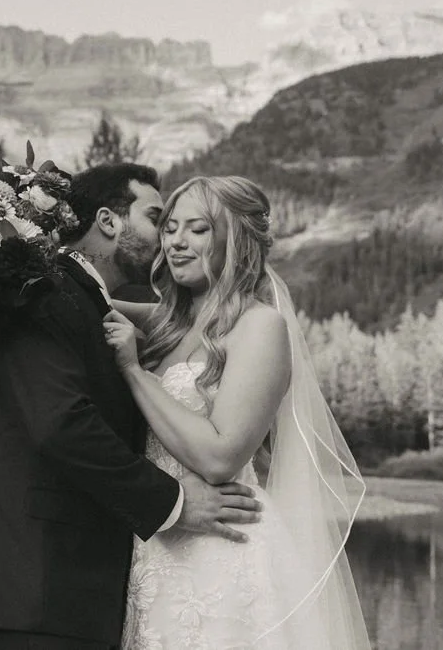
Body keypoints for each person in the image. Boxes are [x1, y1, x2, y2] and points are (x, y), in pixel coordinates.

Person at [0, 164, 264, 650]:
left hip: (75, 587)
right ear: (110, 221)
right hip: (34, 583)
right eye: (159, 219)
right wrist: (173, 503)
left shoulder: (86, 298)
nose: (167, 240)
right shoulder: (40, 291)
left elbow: (197, 317)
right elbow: (59, 425)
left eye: (192, 228)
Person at [103, 175, 371, 649]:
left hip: (223, 552)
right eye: (170, 228)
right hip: (157, 547)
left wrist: (132, 370)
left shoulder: (259, 326)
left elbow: (222, 457)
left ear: (235, 239)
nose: (177, 242)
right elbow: (86, 296)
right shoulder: (166, 322)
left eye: (198, 229)